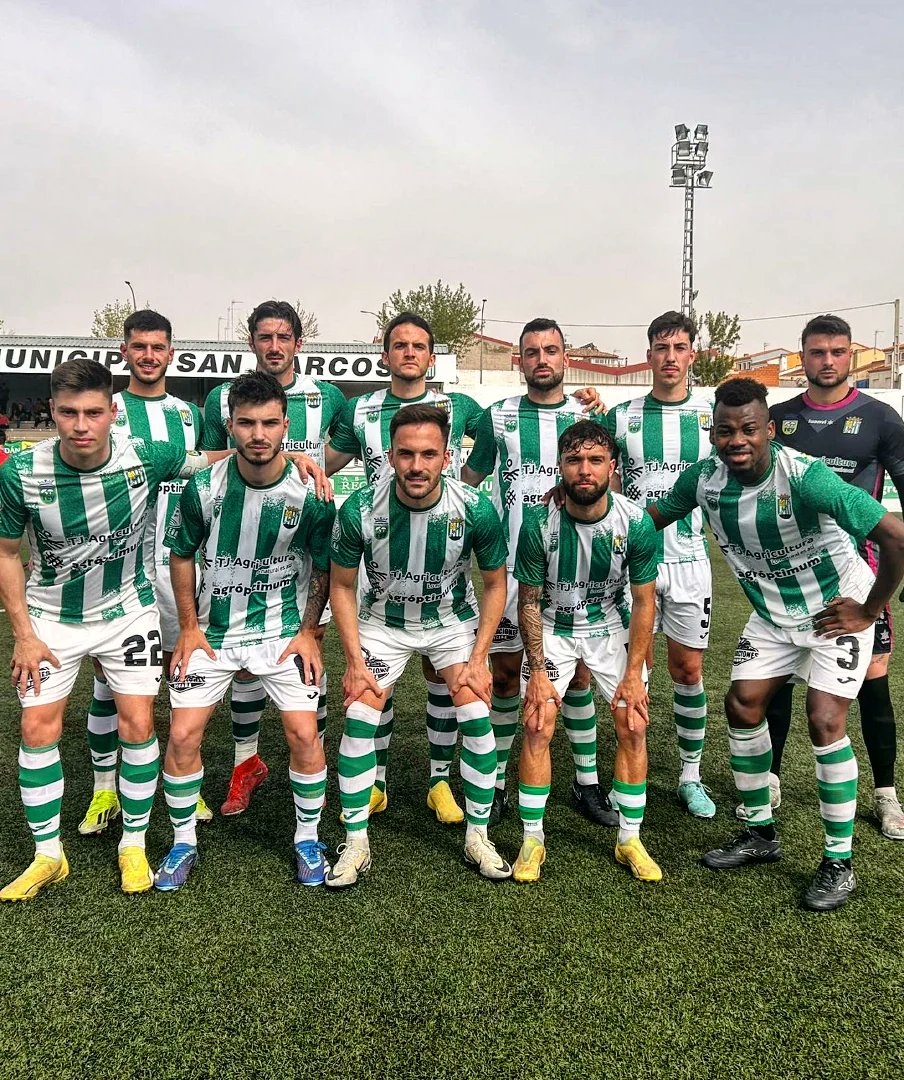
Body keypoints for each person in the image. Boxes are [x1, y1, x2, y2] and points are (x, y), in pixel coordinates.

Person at [649, 378, 904, 911]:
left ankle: (839, 862)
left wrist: (870, 608)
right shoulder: (704, 480)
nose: (735, 440)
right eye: (724, 430)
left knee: (824, 718)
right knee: (741, 705)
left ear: (769, 430)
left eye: (748, 429)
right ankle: (760, 833)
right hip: (772, 616)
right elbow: (651, 520)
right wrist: (586, 511)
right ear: (712, 433)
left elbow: (895, 536)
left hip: (837, 610)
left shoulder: (806, 478)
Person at [0, 358, 214, 900]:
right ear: (51, 410)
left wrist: (294, 462)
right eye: (68, 412)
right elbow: (5, 553)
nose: (80, 425)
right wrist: (24, 633)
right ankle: (48, 855)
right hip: (51, 618)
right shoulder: (21, 472)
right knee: (38, 730)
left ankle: (134, 844)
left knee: (138, 724)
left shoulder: (145, 456)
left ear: (112, 413)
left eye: (92, 412)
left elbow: (218, 459)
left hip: (128, 612)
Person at [156, 372, 335, 890]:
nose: (259, 434)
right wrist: (188, 626)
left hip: (282, 629)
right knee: (184, 733)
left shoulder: (311, 490)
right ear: (230, 425)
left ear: (286, 425)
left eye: (270, 423)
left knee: (304, 732)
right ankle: (183, 840)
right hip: (213, 631)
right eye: (247, 423)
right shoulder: (204, 486)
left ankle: (306, 838)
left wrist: (307, 630)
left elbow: (321, 565)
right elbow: (181, 552)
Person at [328, 404, 510, 887]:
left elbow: (495, 585)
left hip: (449, 622)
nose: (416, 465)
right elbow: (342, 587)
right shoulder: (360, 508)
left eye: (429, 454)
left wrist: (478, 658)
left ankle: (478, 836)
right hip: (383, 623)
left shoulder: (473, 507)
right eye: (406, 453)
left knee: (475, 714)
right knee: (360, 714)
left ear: (447, 456)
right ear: (389, 454)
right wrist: (351, 662)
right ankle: (357, 841)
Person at [325, 312, 487, 825]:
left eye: (419, 346)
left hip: (440, 560)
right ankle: (375, 782)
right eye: (400, 345)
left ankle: (440, 780)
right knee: (379, 680)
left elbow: (503, 433)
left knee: (440, 673)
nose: (409, 353)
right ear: (385, 354)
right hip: (380, 561)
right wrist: (299, 460)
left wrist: (467, 481)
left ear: (431, 357)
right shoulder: (360, 410)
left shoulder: (459, 407)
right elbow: (328, 461)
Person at [461, 318, 612, 828]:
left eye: (551, 350)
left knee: (577, 679)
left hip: (579, 569)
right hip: (508, 569)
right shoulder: (497, 416)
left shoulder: (591, 416)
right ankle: (498, 782)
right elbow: (466, 478)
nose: (541, 359)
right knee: (505, 677)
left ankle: (587, 783)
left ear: (566, 358)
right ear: (518, 361)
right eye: (532, 352)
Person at [201, 300, 346, 817]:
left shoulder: (325, 396)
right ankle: (247, 764)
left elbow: (348, 447)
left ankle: (314, 757)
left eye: (284, 337)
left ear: (299, 344)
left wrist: (314, 468)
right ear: (252, 342)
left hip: (304, 531)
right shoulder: (223, 397)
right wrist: (285, 457)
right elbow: (208, 457)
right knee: (242, 660)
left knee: (310, 642)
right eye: (265, 337)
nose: (274, 346)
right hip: (243, 539)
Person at [762, 314, 904, 840]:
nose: (827, 361)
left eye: (837, 352)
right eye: (817, 352)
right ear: (802, 356)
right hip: (791, 575)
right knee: (776, 675)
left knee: (872, 681)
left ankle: (886, 793)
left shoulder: (881, 419)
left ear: (850, 357)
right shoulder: (778, 419)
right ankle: (771, 777)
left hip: (859, 578)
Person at [78, 309, 211, 837]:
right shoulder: (110, 412)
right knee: (109, 682)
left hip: (179, 566)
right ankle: (104, 790)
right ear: (124, 352)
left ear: (170, 353)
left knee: (184, 675)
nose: (149, 356)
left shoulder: (187, 414)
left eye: (158, 347)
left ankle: (183, 785)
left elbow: (208, 470)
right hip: (122, 568)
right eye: (139, 346)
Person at [514, 421, 659, 883]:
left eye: (595, 460)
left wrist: (634, 672)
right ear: (560, 467)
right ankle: (532, 840)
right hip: (553, 627)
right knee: (537, 723)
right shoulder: (538, 522)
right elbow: (530, 602)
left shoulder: (635, 522)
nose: (584, 470)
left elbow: (643, 601)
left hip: (607, 626)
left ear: (612, 466)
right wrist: (537, 671)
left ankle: (629, 839)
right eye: (574, 460)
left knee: (633, 722)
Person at [606, 311, 717, 819]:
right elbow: (605, 485)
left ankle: (691, 776)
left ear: (693, 354)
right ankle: (631, 770)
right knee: (636, 671)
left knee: (687, 669)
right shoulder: (623, 415)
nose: (669, 357)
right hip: (635, 565)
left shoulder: (713, 411)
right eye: (661, 347)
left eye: (679, 347)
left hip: (691, 560)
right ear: (648, 354)